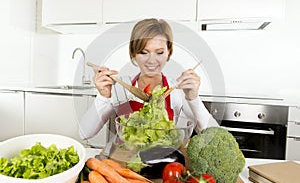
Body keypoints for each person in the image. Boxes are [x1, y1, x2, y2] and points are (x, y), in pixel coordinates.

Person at [79, 18, 218, 141]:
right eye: (144, 52)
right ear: (134, 53)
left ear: (169, 51)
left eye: (159, 52)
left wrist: (193, 98)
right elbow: (84, 134)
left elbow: (215, 137)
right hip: (124, 164)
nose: (152, 60)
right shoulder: (119, 87)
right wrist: (103, 96)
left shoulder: (178, 89)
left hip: (161, 165)